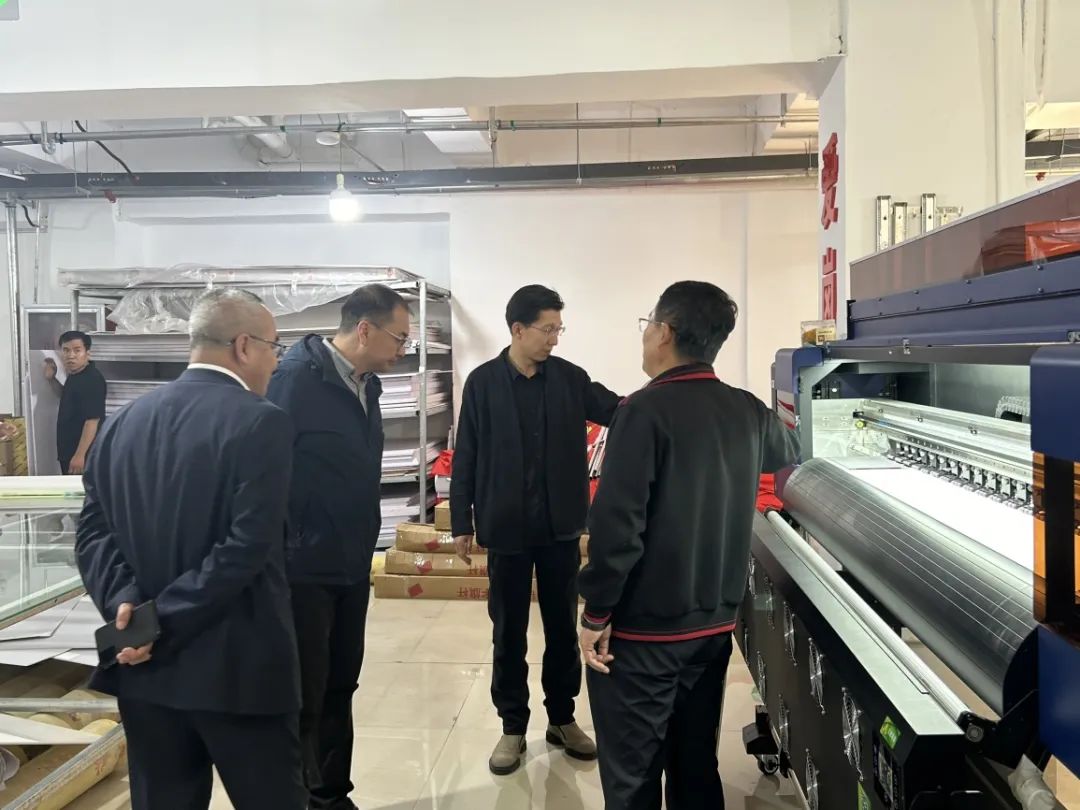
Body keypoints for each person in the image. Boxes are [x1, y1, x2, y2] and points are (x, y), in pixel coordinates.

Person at [75, 289, 305, 810]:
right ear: (243, 346)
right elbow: (247, 546)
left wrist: (130, 613)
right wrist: (163, 621)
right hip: (238, 668)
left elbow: (93, 535)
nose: (276, 362)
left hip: (145, 670)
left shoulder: (122, 422)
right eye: (274, 348)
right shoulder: (261, 420)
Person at [579, 281, 800, 810]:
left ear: (665, 332)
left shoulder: (642, 412)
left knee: (632, 777)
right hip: (713, 627)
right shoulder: (746, 410)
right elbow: (791, 448)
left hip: (643, 634)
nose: (645, 335)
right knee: (695, 765)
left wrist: (596, 614)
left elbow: (618, 528)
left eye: (647, 324)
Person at [450, 285, 621, 775]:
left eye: (558, 329)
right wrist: (462, 520)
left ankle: (562, 719)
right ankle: (512, 725)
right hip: (505, 528)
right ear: (518, 329)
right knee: (508, 632)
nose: (554, 339)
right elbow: (467, 454)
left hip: (559, 528)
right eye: (548, 329)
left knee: (563, 629)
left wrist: (669, 396)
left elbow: (620, 410)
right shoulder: (483, 384)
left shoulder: (569, 379)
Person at [267, 284, 410, 810]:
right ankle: (300, 797)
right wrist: (288, 546)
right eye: (400, 338)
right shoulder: (294, 380)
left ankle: (331, 794)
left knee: (341, 682)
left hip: (351, 560)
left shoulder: (367, 384)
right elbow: (267, 472)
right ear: (365, 329)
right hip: (304, 566)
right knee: (305, 691)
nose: (403, 350)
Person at [44, 330, 106, 474]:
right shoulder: (76, 375)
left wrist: (79, 456)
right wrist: (52, 379)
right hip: (69, 451)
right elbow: (65, 396)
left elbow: (92, 421)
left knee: (80, 488)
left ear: (87, 353)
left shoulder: (91, 379)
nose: (71, 355)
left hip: (84, 455)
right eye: (66, 350)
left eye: (77, 350)